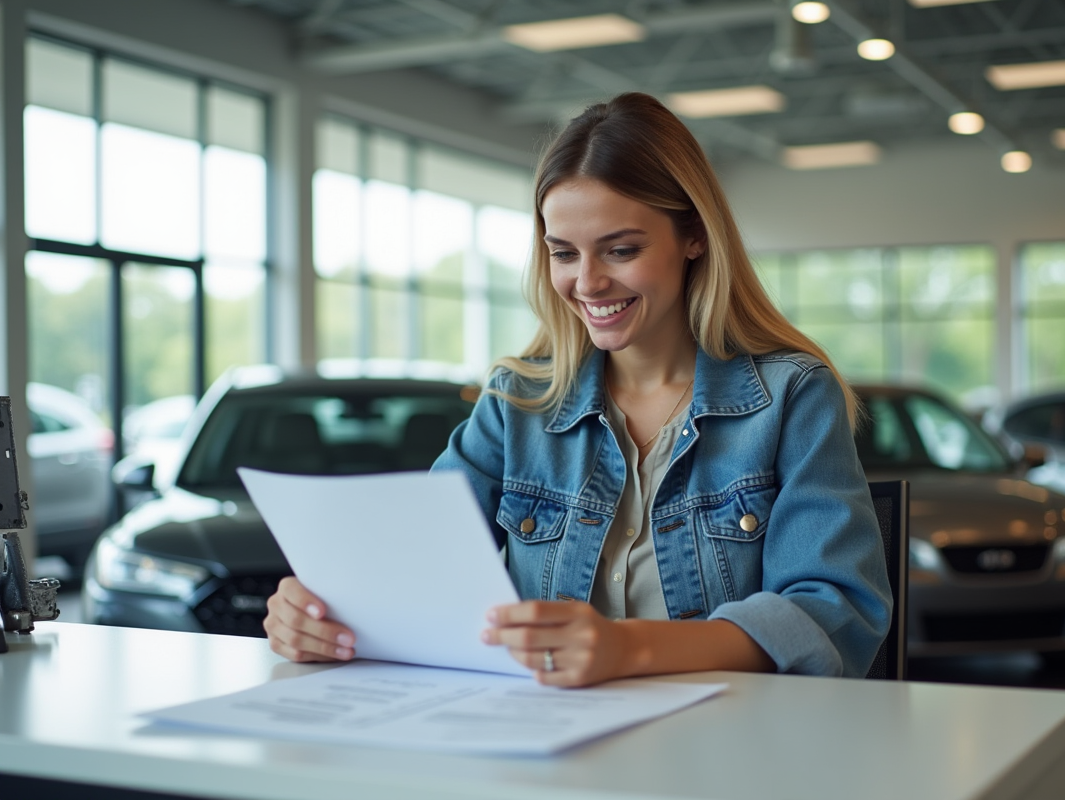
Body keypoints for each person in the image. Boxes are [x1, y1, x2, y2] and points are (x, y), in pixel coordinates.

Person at [264, 92, 891, 687]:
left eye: (620, 250)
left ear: (694, 236)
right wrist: (321, 612)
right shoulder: (517, 403)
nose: (587, 283)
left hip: (725, 746)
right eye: (564, 253)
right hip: (547, 743)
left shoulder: (791, 397)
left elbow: (832, 610)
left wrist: (630, 649)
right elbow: (414, 575)